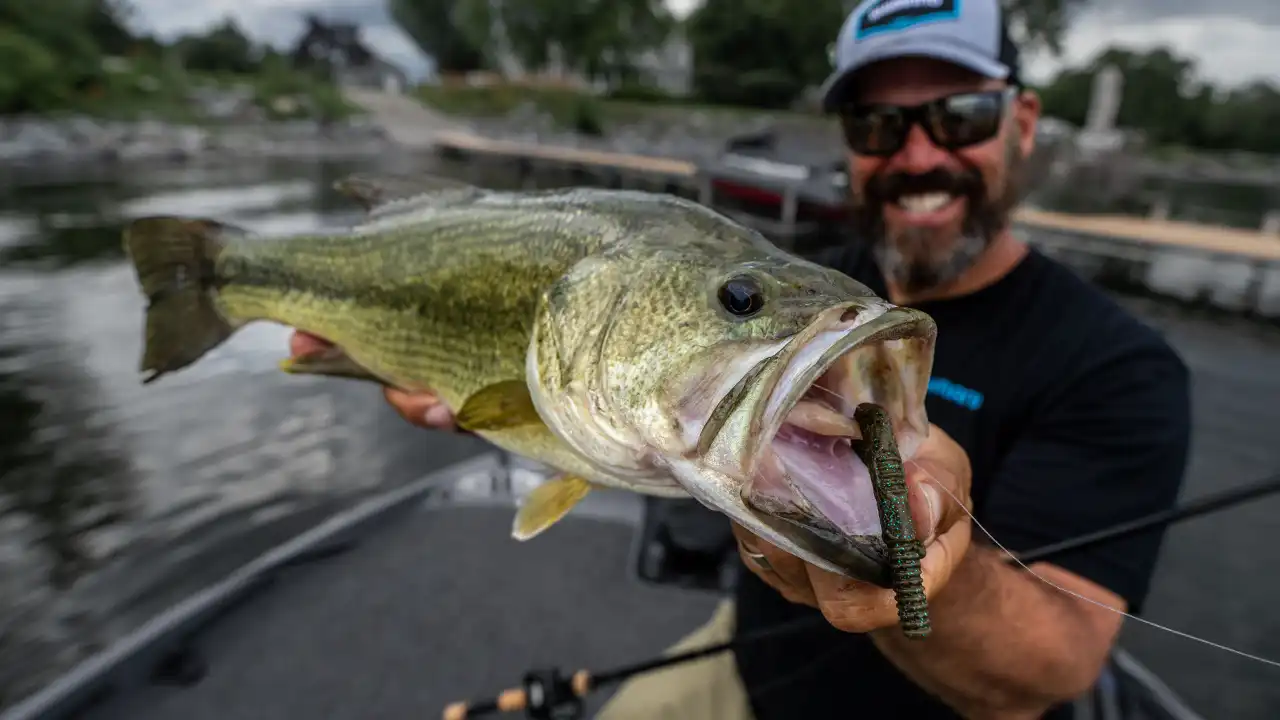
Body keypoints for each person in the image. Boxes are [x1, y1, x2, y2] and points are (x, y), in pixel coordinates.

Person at [289, 0, 1193, 717]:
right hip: (745, 680)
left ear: (1023, 122)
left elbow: (1051, 670)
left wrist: (914, 557)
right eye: (876, 123)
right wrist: (518, 409)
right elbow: (623, 398)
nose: (918, 154)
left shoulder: (1117, 368)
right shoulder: (815, 274)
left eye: (960, 115)